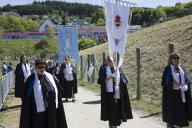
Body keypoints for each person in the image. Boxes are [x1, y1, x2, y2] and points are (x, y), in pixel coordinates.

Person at [19, 58, 68, 128]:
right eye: (39, 67)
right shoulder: (30, 80)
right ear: (35, 68)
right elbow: (26, 98)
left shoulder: (51, 78)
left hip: (51, 111)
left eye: (43, 67)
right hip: (38, 114)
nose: (42, 69)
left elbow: (58, 92)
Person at [100, 57, 133, 128]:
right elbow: (101, 80)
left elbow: (124, 80)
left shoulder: (117, 69)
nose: (112, 63)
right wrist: (110, 77)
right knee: (110, 110)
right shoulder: (104, 69)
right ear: (108, 62)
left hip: (117, 93)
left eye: (114, 61)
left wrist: (118, 77)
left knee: (117, 110)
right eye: (111, 61)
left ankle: (115, 125)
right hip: (109, 93)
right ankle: (111, 124)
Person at [161, 53, 192, 128]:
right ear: (171, 59)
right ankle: (171, 124)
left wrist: (181, 86)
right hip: (172, 95)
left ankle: (180, 125)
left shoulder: (181, 69)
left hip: (181, 95)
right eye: (174, 58)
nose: (176, 60)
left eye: (178, 58)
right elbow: (166, 83)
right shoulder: (168, 69)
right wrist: (175, 85)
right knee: (172, 113)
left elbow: (187, 82)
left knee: (181, 113)